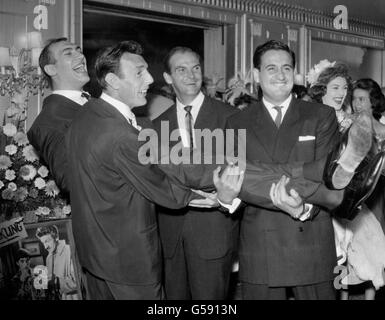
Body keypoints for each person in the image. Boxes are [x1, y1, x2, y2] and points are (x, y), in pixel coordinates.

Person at [224, 40, 364, 300]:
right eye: (272, 68)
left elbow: (331, 182)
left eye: (287, 68)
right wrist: (225, 196)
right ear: (256, 75)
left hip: (311, 241)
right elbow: (237, 180)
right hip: (260, 248)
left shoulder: (320, 116)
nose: (281, 75)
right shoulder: (236, 122)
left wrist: (302, 209)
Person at [152, 47, 240, 300]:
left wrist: (225, 197)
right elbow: (156, 179)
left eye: (196, 68)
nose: (191, 75)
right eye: (181, 69)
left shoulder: (231, 117)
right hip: (170, 235)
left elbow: (238, 168)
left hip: (213, 231)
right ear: (168, 78)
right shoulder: (157, 127)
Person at [27, 37, 91, 194]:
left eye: (79, 51)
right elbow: (71, 181)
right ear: (51, 69)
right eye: (68, 53)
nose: (81, 56)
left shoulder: (99, 104)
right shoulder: (49, 122)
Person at [35, 225, 78, 300]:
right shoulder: (48, 258)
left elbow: (77, 281)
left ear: (56, 237)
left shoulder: (70, 251)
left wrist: (55, 283)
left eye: (47, 241)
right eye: (43, 243)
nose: (45, 247)